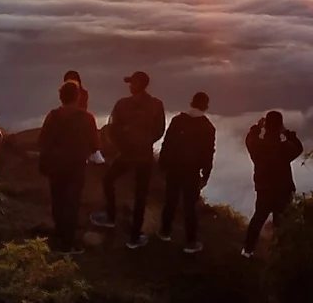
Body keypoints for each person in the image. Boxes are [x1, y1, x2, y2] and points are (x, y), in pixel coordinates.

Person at [90, 70, 165, 248]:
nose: (130, 86)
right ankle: (134, 237)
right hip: (145, 155)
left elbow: (113, 128)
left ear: (138, 85)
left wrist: (122, 146)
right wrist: (145, 143)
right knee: (140, 195)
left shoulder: (122, 104)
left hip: (127, 154)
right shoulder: (156, 104)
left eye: (132, 83)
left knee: (108, 180)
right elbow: (159, 130)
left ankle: (110, 217)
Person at [38, 79, 98, 254]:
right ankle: (67, 245)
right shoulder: (87, 118)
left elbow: (42, 140)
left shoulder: (53, 116)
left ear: (60, 96)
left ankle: (58, 236)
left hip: (55, 166)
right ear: (77, 96)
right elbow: (95, 144)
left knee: (58, 201)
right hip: (75, 166)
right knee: (72, 203)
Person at [157, 91, 216, 253]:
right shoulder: (208, 127)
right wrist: (206, 174)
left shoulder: (178, 120)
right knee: (190, 206)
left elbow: (167, 143)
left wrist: (162, 164)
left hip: (174, 168)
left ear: (191, 102)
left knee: (170, 201)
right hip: (192, 171)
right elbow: (208, 152)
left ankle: (164, 232)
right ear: (206, 106)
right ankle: (190, 242)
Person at [241, 110, 303, 258]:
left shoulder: (257, 147)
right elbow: (298, 147)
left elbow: (249, 138)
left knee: (258, 219)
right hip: (283, 189)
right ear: (279, 125)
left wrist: (257, 126)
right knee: (281, 223)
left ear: (266, 126)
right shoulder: (285, 148)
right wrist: (286, 132)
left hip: (264, 189)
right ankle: (280, 255)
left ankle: (248, 251)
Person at [64, 70, 104, 164]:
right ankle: (93, 153)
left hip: (78, 117)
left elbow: (82, 106)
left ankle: (94, 152)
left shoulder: (82, 93)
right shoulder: (71, 92)